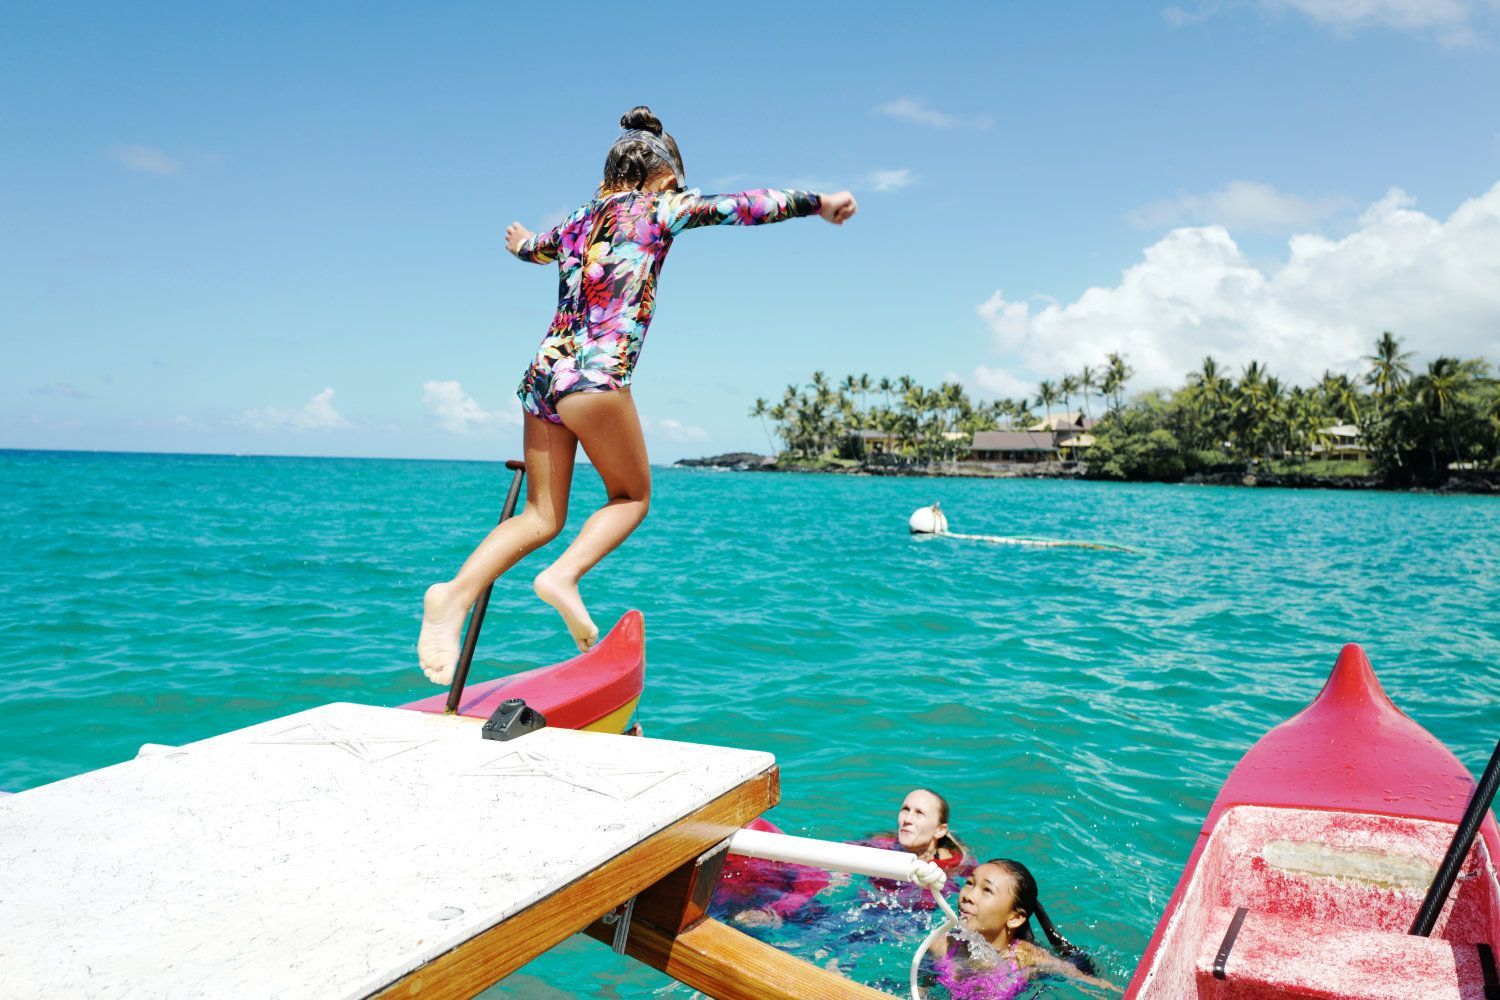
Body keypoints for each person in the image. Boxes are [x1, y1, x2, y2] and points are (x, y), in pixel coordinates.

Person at [417, 106, 858, 682]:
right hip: (597, 377)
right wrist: (819, 202)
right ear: (666, 177)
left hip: (544, 376)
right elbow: (748, 205)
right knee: (630, 497)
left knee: (541, 514)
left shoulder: (579, 217)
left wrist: (522, 241)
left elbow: (535, 249)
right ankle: (563, 577)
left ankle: (452, 597)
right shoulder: (663, 207)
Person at [927, 859, 1120, 997]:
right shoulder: (941, 945)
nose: (968, 895)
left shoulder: (1026, 957)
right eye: (970, 883)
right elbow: (922, 988)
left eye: (987, 890)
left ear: (1015, 918)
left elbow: (1090, 984)